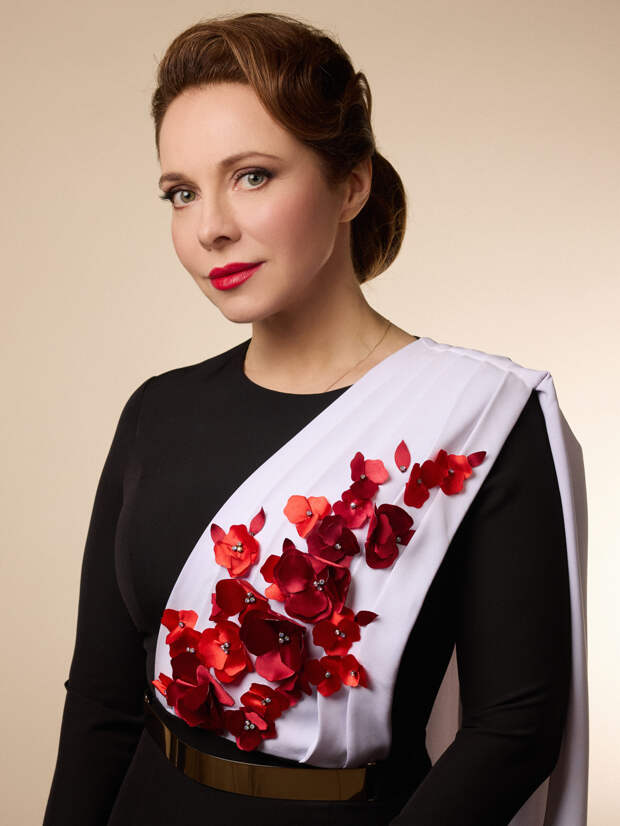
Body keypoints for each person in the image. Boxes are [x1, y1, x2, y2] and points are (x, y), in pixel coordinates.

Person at [43, 11, 588, 826]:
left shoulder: (479, 418)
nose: (210, 227)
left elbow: (514, 734)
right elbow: (101, 702)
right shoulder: (157, 411)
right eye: (181, 192)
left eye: (252, 176)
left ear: (351, 185)